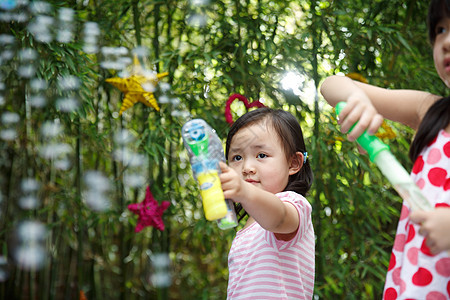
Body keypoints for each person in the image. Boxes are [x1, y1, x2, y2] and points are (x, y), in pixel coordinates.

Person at [320, 0, 450, 298]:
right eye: (441, 29)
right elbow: (331, 85)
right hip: (413, 286)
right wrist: (358, 99)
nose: (446, 41)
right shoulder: (429, 110)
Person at [219, 107, 314, 299]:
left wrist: (244, 191)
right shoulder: (247, 228)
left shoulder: (294, 205)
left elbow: (278, 218)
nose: (246, 168)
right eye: (237, 158)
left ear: (293, 163)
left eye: (261, 155)